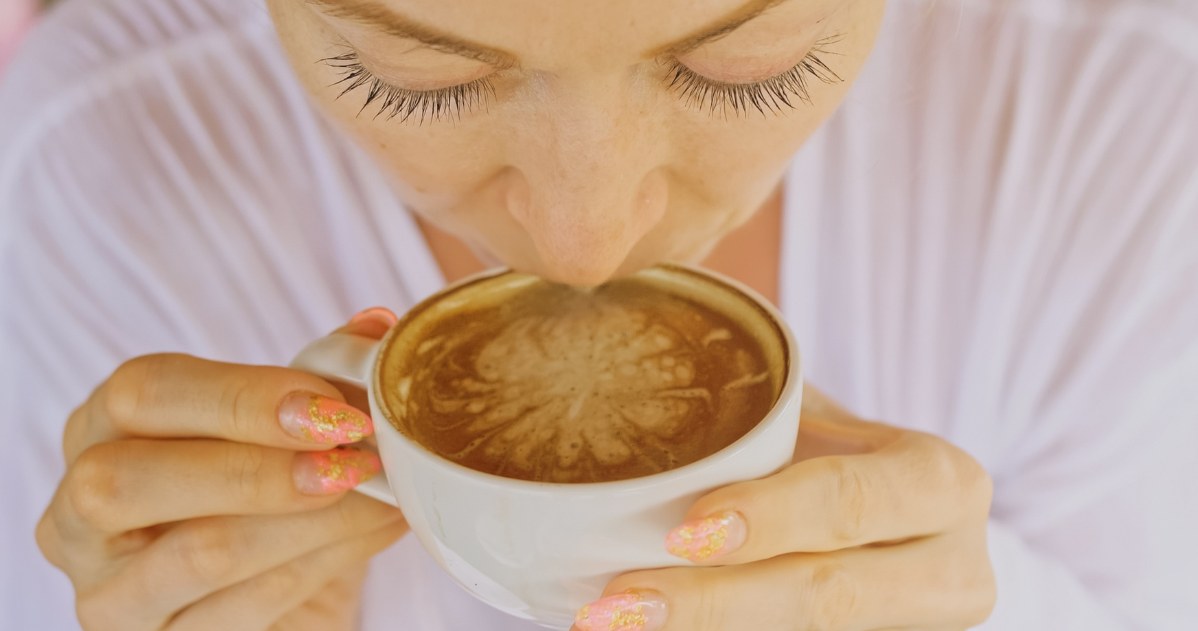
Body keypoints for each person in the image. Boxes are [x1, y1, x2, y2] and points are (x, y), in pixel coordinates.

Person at [0, 0, 1195, 628]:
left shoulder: (1125, 124)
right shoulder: (103, 160)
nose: (587, 240)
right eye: (419, 79)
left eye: (750, 68)